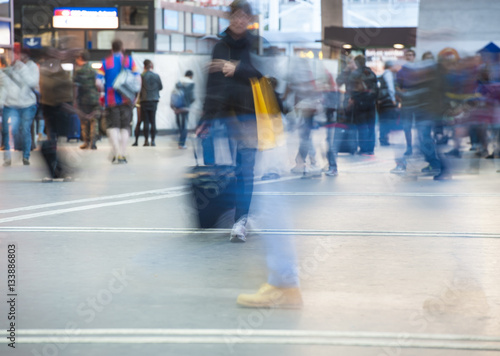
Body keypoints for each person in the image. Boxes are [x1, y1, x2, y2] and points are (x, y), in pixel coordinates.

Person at [202, 0, 301, 308]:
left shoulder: (257, 44)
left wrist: (239, 68)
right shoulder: (220, 46)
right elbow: (213, 82)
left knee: (247, 170)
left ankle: (241, 220)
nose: (240, 20)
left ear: (251, 19)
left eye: (245, 15)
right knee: (235, 170)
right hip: (228, 117)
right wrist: (205, 117)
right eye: (235, 15)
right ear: (229, 17)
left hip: (255, 117)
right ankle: (245, 217)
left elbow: (269, 74)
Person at [97, 39, 140, 163]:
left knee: (112, 126)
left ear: (112, 49)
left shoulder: (105, 62)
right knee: (125, 127)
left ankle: (115, 152)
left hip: (110, 100)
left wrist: (102, 90)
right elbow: (138, 80)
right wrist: (135, 96)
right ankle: (123, 152)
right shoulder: (130, 61)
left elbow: (98, 82)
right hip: (126, 99)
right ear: (123, 49)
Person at [0, 49, 39, 166]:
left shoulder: (31, 67)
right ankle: (7, 157)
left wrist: (22, 70)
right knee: (7, 130)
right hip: (9, 104)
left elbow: (32, 82)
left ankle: (26, 156)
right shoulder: (5, 70)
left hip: (27, 104)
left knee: (25, 129)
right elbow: (3, 87)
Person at [74, 50, 100, 150]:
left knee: (84, 121)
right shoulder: (94, 70)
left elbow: (75, 86)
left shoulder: (78, 71)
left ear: (80, 58)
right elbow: (98, 84)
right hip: (94, 98)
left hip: (83, 99)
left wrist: (75, 100)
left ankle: (86, 142)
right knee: (94, 120)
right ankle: (93, 142)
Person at [396, 49, 417, 156]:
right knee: (407, 126)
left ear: (414, 57)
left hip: (418, 102)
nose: (409, 57)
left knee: (421, 126)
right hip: (407, 102)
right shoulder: (401, 72)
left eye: (411, 55)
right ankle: (409, 147)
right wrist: (401, 95)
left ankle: (421, 147)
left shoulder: (419, 71)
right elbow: (397, 87)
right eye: (407, 55)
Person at [139, 59, 163, 147]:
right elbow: (160, 87)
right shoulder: (156, 76)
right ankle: (153, 141)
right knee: (153, 121)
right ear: (151, 66)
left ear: (144, 67)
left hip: (144, 100)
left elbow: (138, 88)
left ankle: (146, 141)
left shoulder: (142, 76)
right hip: (154, 100)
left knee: (146, 121)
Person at [377, 61, 398, 146]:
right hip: (387, 101)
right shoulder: (388, 74)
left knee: (383, 120)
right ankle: (383, 138)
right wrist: (393, 99)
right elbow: (390, 88)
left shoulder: (384, 74)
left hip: (382, 101)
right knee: (386, 120)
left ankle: (383, 138)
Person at [172, 70, 195, 149]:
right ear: (191, 76)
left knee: (180, 124)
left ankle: (180, 141)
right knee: (184, 125)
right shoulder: (191, 83)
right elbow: (192, 97)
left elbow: (174, 93)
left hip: (178, 106)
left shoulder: (178, 82)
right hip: (185, 107)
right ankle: (182, 143)